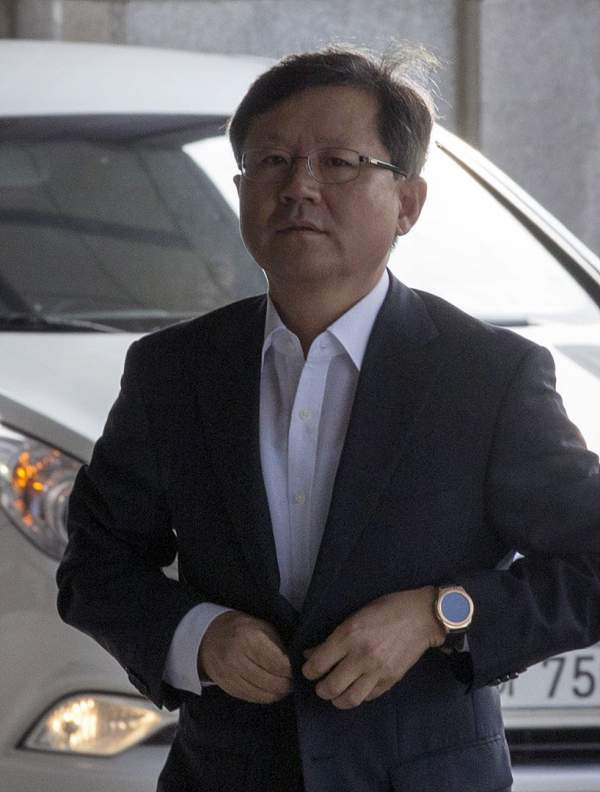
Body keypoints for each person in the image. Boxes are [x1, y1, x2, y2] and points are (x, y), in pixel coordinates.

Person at [57, 46, 600, 792]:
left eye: (339, 163)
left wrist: (441, 615)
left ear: (408, 203)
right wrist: (198, 636)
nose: (299, 187)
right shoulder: (174, 371)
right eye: (272, 162)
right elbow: (95, 565)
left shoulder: (486, 375)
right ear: (241, 188)